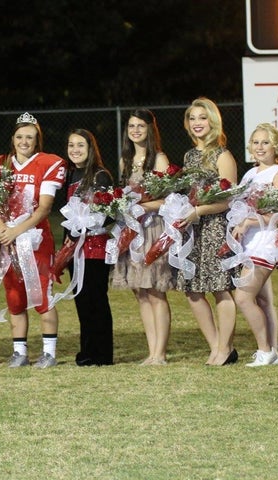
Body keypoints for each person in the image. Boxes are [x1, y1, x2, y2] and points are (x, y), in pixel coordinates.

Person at [0, 112, 66, 368]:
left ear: (37, 140)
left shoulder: (48, 162)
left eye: (29, 137)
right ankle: (19, 352)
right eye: (20, 136)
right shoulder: (1, 164)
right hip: (9, 239)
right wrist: (1, 226)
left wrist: (17, 230)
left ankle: (49, 352)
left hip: (36, 240)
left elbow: (44, 208)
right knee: (14, 295)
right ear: (13, 138)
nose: (24, 141)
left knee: (42, 294)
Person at [177, 98, 239, 366]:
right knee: (192, 290)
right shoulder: (189, 156)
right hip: (192, 230)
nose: (197, 123)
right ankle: (216, 346)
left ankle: (225, 348)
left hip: (215, 227)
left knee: (220, 289)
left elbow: (229, 200)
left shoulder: (222, 156)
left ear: (212, 121)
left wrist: (199, 211)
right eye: (192, 118)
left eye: (202, 118)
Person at [111, 109, 176, 366]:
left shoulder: (158, 159)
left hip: (152, 228)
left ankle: (160, 353)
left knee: (155, 290)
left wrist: (144, 206)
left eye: (140, 125)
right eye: (131, 126)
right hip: (131, 230)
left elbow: (169, 200)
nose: (135, 130)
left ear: (150, 129)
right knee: (140, 290)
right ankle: (151, 351)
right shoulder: (125, 160)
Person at [230, 123, 278, 367]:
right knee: (263, 301)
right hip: (249, 242)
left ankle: (264, 350)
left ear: (275, 146)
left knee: (243, 297)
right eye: (256, 142)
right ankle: (272, 351)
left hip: (264, 243)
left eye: (265, 142)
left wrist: (249, 221)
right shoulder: (250, 174)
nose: (260, 147)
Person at [62, 128, 114, 366]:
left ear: (90, 148)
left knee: (97, 299)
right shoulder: (70, 175)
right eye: (71, 145)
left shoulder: (100, 175)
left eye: (80, 145)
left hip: (96, 246)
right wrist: (68, 238)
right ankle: (86, 352)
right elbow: (66, 215)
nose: (75, 149)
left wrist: (88, 226)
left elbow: (110, 214)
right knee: (82, 299)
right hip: (76, 247)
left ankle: (102, 354)